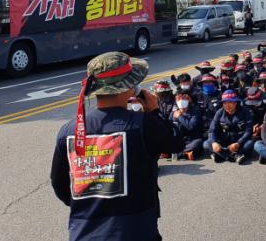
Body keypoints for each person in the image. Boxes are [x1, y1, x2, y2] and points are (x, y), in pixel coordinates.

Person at [50, 52, 183, 241]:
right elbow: (176, 143)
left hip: (84, 233)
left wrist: (90, 204)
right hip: (136, 231)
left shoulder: (69, 130)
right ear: (129, 87)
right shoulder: (144, 125)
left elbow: (60, 184)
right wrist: (154, 111)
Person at [205, 90, 253, 164]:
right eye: (224, 103)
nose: (227, 105)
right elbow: (212, 130)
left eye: (230, 102)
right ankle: (234, 156)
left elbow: (248, 130)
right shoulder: (219, 112)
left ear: (236, 103)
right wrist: (214, 142)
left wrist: (238, 143)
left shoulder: (245, 112)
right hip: (224, 143)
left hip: (238, 142)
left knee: (250, 143)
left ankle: (221, 155)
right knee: (206, 144)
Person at [170, 91, 204, 160]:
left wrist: (180, 117)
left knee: (198, 143)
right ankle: (185, 154)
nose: (181, 101)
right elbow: (168, 126)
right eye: (178, 99)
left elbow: (190, 126)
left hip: (192, 140)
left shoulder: (195, 111)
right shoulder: (173, 112)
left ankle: (179, 153)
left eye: (183, 98)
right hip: (179, 140)